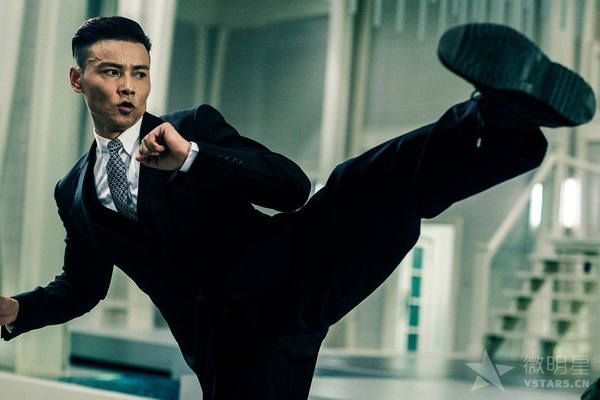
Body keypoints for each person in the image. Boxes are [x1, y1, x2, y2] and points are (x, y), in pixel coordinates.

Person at [0, 16, 595, 400]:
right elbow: (82, 288)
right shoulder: (72, 192)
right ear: (78, 80)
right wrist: (16, 311)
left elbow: (289, 188)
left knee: (367, 183)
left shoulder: (192, 127)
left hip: (291, 268)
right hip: (224, 344)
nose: (128, 86)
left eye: (139, 73)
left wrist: (194, 159)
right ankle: (499, 121)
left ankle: (497, 117)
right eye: (111, 72)